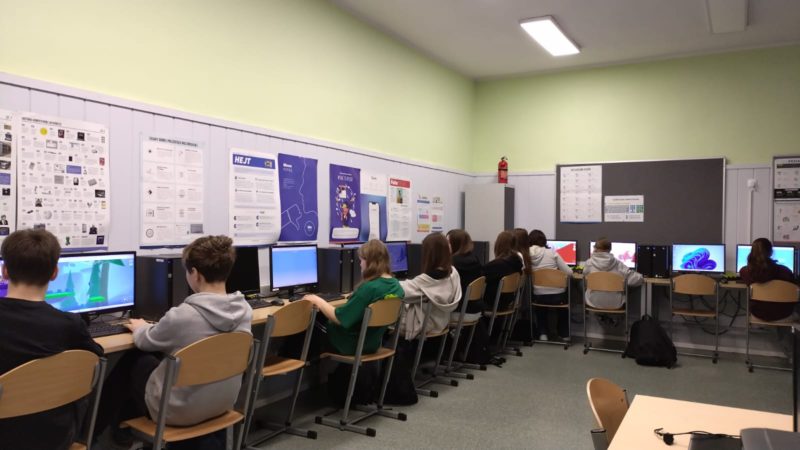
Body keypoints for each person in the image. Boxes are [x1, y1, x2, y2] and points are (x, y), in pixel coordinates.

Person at [95, 235, 252, 449]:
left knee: (136, 358)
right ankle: (121, 430)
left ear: (195, 273)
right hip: (222, 402)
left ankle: (102, 432)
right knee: (164, 360)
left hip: (181, 411)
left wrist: (140, 327)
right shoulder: (245, 311)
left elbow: (145, 340)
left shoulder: (183, 316)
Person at [0, 229, 103, 450]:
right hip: (54, 437)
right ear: (55, 273)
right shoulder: (69, 325)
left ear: (4, 271)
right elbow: (96, 358)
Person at [304, 239, 404, 355]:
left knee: (309, 326)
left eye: (361, 260)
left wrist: (317, 300)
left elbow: (339, 318)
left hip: (350, 344)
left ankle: (301, 366)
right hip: (372, 344)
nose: (360, 264)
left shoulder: (370, 288)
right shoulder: (396, 286)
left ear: (370, 262)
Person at [398, 233, 461, 340]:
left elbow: (400, 291)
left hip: (425, 324)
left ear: (429, 254)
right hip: (442, 322)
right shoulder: (453, 273)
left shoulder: (428, 280)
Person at [529, 229, 573, 341]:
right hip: (558, 296)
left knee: (540, 303)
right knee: (564, 302)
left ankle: (543, 333)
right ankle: (564, 334)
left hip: (539, 296)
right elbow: (569, 273)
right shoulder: (552, 253)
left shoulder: (526, 255)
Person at [741, 237, 796, 321]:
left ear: (752, 252)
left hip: (759, 314)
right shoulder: (785, 271)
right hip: (783, 314)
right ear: (771, 252)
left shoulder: (745, 272)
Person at [583, 238, 643, 309]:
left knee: (581, 284)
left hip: (593, 302)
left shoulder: (588, 263)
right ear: (610, 249)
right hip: (615, 304)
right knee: (628, 286)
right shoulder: (618, 264)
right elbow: (635, 279)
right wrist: (641, 277)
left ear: (595, 248)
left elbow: (585, 277)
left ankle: (591, 313)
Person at [483, 230, 524, 313]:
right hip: (507, 302)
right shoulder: (517, 263)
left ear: (498, 245)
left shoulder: (495, 266)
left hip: (493, 304)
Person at [447, 229, 484, 315]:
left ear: (456, 244)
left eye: (448, 242)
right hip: (474, 307)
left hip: (459, 309)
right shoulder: (475, 259)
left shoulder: (453, 263)